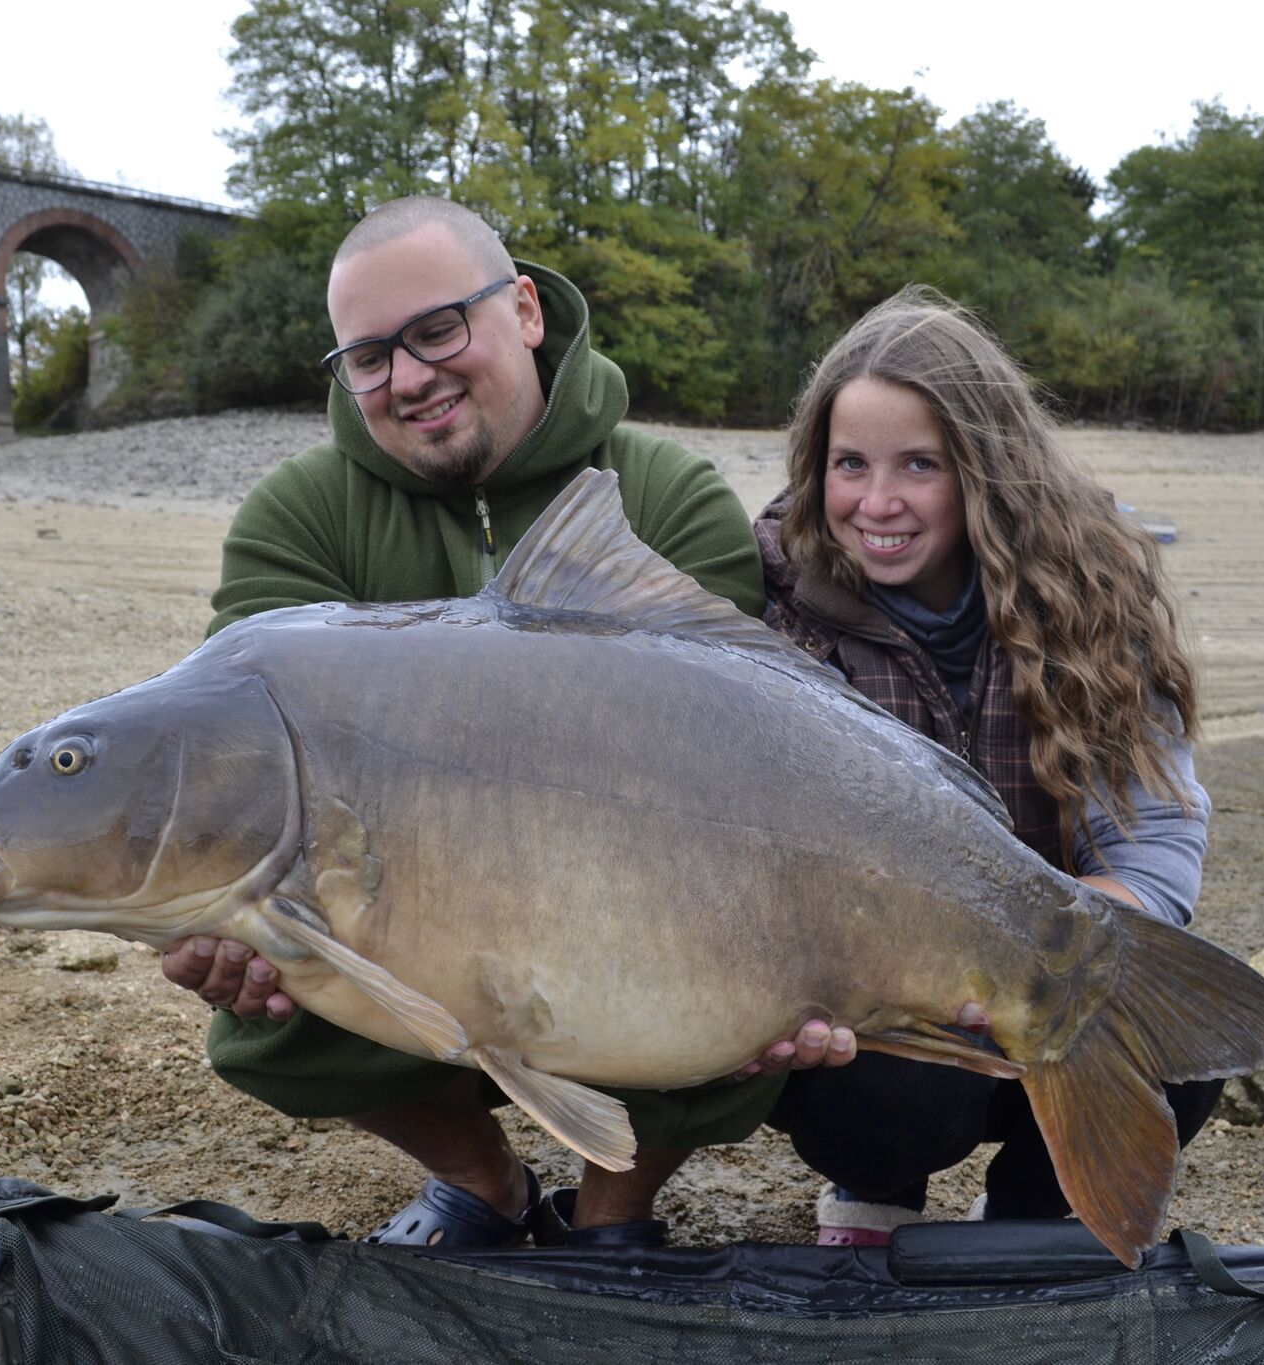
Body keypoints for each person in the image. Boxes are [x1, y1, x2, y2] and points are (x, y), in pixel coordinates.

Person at [157, 197, 848, 1250]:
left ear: (522, 310)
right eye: (369, 357)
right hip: (401, 897)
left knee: (744, 992)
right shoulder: (300, 513)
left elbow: (728, 748)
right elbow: (237, 744)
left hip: (637, 885)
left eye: (437, 330)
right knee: (263, 998)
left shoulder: (661, 492)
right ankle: (483, 1185)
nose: (410, 376)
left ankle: (616, 1207)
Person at [753, 285, 1218, 1246]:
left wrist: (1038, 953)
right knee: (872, 1089)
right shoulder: (774, 603)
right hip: (877, 1013)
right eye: (850, 464)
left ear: (984, 470)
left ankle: (1033, 1212)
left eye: (918, 465)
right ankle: (875, 1191)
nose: (876, 503)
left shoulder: (1091, 592)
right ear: (815, 466)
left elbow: (1156, 844)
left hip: (1034, 961)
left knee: (1188, 1031)